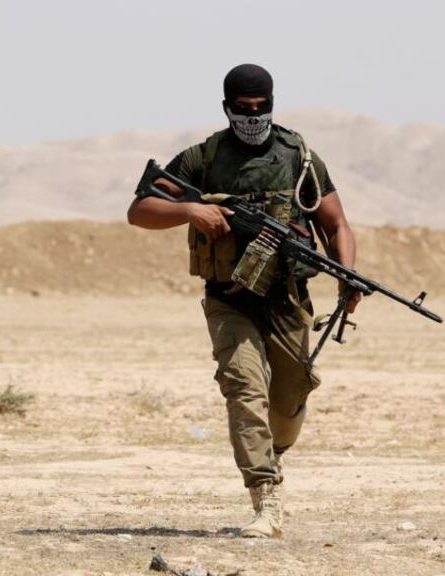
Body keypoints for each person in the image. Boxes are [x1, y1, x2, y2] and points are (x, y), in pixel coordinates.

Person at [126, 64, 361, 539]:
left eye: (261, 109)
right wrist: (189, 210)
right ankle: (265, 498)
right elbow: (140, 210)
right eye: (242, 110)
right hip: (228, 298)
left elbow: (335, 223)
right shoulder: (203, 158)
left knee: (289, 397)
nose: (252, 118)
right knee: (243, 389)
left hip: (286, 298)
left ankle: (274, 449)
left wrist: (347, 275)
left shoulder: (301, 158)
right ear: (227, 107)